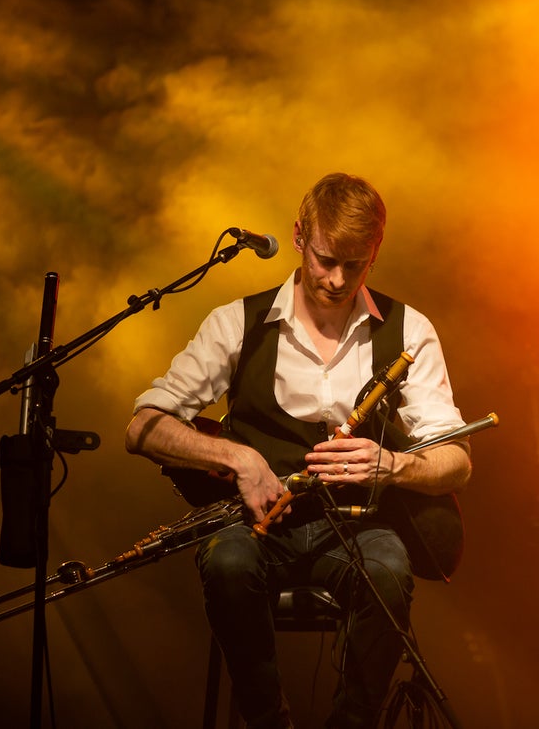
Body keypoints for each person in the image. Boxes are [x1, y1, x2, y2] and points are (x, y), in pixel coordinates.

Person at [125, 172, 472, 729]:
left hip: (358, 525)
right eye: (325, 260)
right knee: (228, 561)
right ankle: (268, 721)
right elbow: (143, 426)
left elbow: (457, 460)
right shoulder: (237, 323)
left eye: (354, 265)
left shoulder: (409, 329)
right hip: (257, 525)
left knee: (388, 570)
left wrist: (397, 466)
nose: (336, 280)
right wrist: (240, 459)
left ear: (374, 255)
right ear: (298, 237)